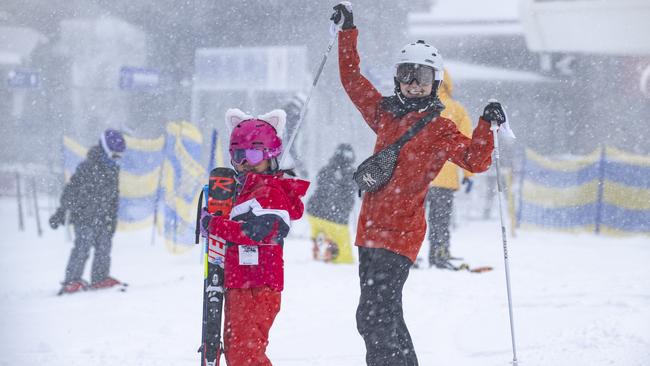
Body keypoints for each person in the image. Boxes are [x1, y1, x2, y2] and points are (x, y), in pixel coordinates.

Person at [331, 2, 508, 365]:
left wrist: (486, 125)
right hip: (368, 232)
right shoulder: (384, 113)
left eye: (422, 77)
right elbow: (352, 80)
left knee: (373, 316)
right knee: (384, 315)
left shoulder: (440, 129)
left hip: (400, 235)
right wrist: (348, 31)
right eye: (407, 75)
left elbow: (476, 160)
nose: (413, 84)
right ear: (397, 78)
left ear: (435, 83)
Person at [200, 108, 309, 366]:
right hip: (238, 282)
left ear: (270, 155)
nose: (247, 162)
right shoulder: (241, 190)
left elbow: (257, 232)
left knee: (245, 356)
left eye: (254, 154)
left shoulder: (271, 191)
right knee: (237, 352)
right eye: (240, 155)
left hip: (257, 285)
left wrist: (216, 226)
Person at [49, 129, 127, 295]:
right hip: (84, 216)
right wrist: (61, 212)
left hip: (103, 217)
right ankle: (72, 280)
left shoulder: (113, 171)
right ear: (105, 150)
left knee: (104, 247)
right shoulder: (87, 167)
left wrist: (111, 220)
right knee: (82, 247)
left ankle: (99, 278)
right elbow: (71, 191)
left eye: (120, 157)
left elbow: (114, 197)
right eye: (114, 156)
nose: (116, 160)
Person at [426, 69, 475, 268]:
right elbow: (466, 143)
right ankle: (439, 252)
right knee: (440, 220)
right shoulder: (457, 109)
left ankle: (405, 255)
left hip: (418, 176)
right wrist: (468, 173)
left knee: (410, 220)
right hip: (444, 178)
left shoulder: (420, 106)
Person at [306, 143, 357, 264]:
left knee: (320, 230)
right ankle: (329, 249)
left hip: (314, 211)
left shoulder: (326, 169)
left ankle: (320, 242)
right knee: (345, 258)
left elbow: (321, 186)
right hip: (335, 217)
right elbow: (350, 193)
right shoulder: (351, 174)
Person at [281, 92, 309, 177]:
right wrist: (300, 166)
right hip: (282, 162)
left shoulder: (283, 113)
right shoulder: (293, 118)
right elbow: (290, 145)